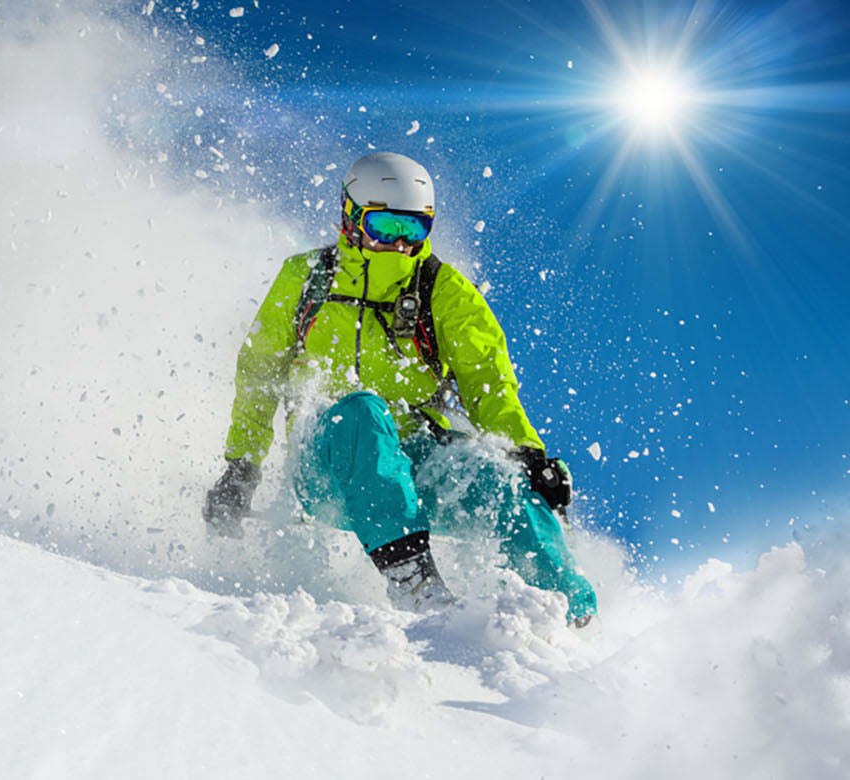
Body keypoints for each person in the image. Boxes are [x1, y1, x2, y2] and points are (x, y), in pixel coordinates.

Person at [202, 151, 597, 627]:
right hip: (327, 465)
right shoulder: (306, 278)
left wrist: (528, 454)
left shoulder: (442, 289)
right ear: (351, 218)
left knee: (502, 480)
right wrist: (242, 466)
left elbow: (487, 381)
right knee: (361, 411)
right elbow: (259, 375)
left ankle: (566, 613)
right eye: (385, 228)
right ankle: (414, 579)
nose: (399, 245)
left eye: (414, 231)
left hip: (418, 462)